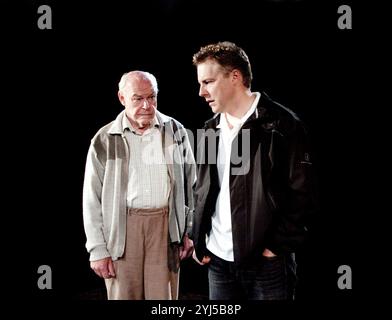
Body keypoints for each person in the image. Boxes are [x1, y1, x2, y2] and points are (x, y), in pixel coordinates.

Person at [191, 41, 318, 300]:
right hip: (217, 262)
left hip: (267, 264)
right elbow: (201, 189)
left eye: (208, 82)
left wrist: (276, 246)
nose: (201, 92)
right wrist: (198, 236)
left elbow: (304, 194)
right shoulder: (208, 130)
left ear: (235, 76)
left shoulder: (283, 126)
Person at [82, 70, 196, 300]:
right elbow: (91, 198)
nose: (147, 105)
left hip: (166, 228)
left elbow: (192, 184)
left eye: (151, 97)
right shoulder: (104, 138)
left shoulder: (176, 131)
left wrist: (189, 230)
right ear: (122, 98)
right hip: (122, 231)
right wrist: (97, 249)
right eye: (138, 98)